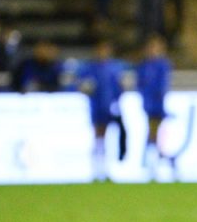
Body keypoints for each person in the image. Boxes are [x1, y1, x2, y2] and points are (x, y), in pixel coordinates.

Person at [72, 38, 125, 182]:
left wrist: (117, 100)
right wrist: (84, 87)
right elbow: (78, 83)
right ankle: (96, 170)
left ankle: (105, 169)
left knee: (106, 138)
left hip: (108, 107)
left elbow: (119, 88)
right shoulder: (90, 68)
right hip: (96, 107)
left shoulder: (114, 68)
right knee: (97, 138)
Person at [136, 34, 171, 177]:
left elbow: (163, 85)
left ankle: (153, 162)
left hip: (158, 105)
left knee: (155, 132)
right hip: (148, 104)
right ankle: (154, 162)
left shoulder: (162, 65)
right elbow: (140, 85)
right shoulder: (144, 66)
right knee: (153, 132)